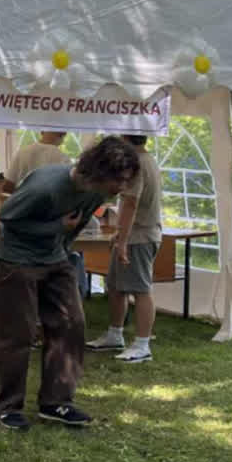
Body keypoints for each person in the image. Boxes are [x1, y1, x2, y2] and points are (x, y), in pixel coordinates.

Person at [0, 136, 141, 431]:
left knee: (71, 324)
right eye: (119, 179)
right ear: (100, 170)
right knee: (18, 334)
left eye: (126, 181)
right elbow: (7, 217)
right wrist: (56, 227)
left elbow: (77, 225)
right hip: (17, 259)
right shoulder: (46, 186)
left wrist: (62, 246)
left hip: (55, 258)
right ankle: (8, 407)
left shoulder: (98, 193)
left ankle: (56, 402)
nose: (122, 188)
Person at [0, 131, 69, 337]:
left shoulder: (24, 152)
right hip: (43, 221)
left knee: (5, 272)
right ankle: (32, 324)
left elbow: (7, 187)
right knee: (40, 274)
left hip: (18, 217)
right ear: (62, 134)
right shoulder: (62, 159)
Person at [88, 135, 161, 363]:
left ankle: (142, 345)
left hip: (139, 236)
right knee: (116, 286)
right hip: (132, 235)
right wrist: (120, 236)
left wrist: (122, 241)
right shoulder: (146, 159)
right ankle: (115, 334)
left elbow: (130, 203)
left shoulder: (137, 163)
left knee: (140, 290)